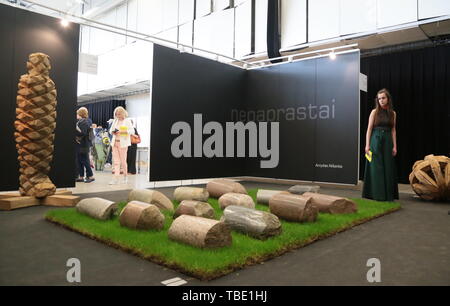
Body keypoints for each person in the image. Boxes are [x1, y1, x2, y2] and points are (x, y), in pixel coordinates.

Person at [362, 88, 399, 201]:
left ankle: (387, 194)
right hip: (376, 139)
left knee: (387, 166)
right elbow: (369, 129)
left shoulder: (393, 113)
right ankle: (376, 194)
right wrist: (367, 145)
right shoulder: (374, 112)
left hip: (387, 140)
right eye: (379, 99)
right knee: (376, 167)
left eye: (383, 98)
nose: (381, 100)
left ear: (388, 99)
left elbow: (393, 130)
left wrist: (395, 146)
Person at [108, 106, 134, 184]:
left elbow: (132, 131)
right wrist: (113, 132)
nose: (117, 116)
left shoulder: (127, 121)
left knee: (123, 161)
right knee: (116, 162)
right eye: (116, 114)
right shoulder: (115, 121)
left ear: (123, 113)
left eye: (119, 114)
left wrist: (122, 132)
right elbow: (110, 131)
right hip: (114, 143)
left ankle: (125, 176)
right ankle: (116, 178)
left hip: (123, 144)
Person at [75, 107, 95, 183]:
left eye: (77, 113)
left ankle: (91, 176)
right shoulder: (87, 121)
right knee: (80, 160)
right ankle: (81, 176)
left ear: (80, 114)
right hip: (83, 143)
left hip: (83, 144)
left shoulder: (83, 122)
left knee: (84, 160)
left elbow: (82, 133)